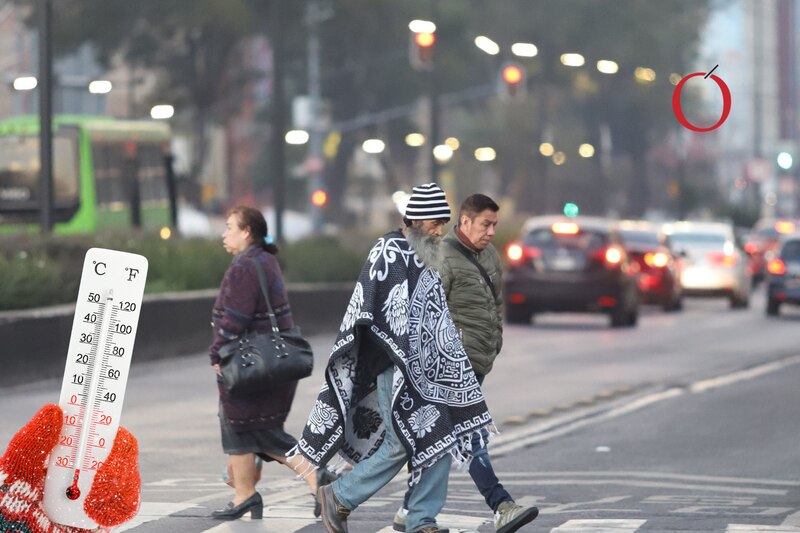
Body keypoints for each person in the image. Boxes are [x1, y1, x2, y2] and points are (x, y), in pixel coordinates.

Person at [289, 183, 494, 533]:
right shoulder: (388, 249)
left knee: (438, 440)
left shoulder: (427, 254)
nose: (439, 230)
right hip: (392, 366)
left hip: (428, 373)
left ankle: (421, 520)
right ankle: (338, 496)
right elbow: (373, 310)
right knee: (401, 444)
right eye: (434, 223)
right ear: (414, 219)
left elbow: (434, 316)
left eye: (442, 223)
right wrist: (404, 353)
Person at [393, 194, 538, 533]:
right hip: (451, 363)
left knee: (442, 436)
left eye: (494, 225)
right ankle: (501, 505)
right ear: (466, 222)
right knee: (468, 434)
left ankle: (407, 510)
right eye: (485, 224)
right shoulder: (442, 255)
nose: (490, 232)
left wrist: (496, 340)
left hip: (479, 358)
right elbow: (426, 309)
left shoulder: (488, 254)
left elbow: (495, 302)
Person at [208, 205, 334, 521]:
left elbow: (234, 319)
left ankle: (314, 475)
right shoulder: (266, 260)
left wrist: (217, 353)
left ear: (246, 231)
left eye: (229, 227)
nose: (224, 234)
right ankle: (244, 494)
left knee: (260, 432)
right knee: (244, 428)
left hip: (250, 363)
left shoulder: (244, 267)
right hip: (272, 362)